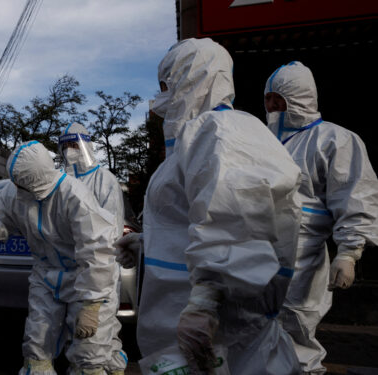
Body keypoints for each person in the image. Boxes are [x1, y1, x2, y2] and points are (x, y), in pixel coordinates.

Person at [115, 38, 303, 374]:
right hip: (200, 340)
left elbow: (236, 218)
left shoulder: (220, 130)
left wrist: (205, 303)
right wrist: (145, 243)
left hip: (226, 341)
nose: (161, 95)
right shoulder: (199, 136)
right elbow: (194, 220)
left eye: (166, 84)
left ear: (187, 78)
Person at [0, 141, 127, 375]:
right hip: (46, 275)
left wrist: (92, 304)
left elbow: (97, 252)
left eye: (25, 185)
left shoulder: (74, 196)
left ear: (39, 178)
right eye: (18, 185)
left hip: (84, 278)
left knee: (90, 355)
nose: (21, 190)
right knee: (36, 348)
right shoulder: (14, 192)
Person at [263, 61, 378, 374]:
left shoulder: (335, 140)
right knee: (258, 332)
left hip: (304, 250)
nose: (272, 105)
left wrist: (350, 251)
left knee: (296, 326)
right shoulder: (262, 140)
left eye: (280, 98)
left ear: (300, 97)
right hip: (259, 247)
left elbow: (354, 195)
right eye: (268, 98)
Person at [58, 122, 124, 236]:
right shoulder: (60, 180)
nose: (68, 150)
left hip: (97, 250)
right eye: (65, 146)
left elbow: (113, 223)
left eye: (73, 145)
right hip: (66, 251)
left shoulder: (105, 179)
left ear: (85, 146)